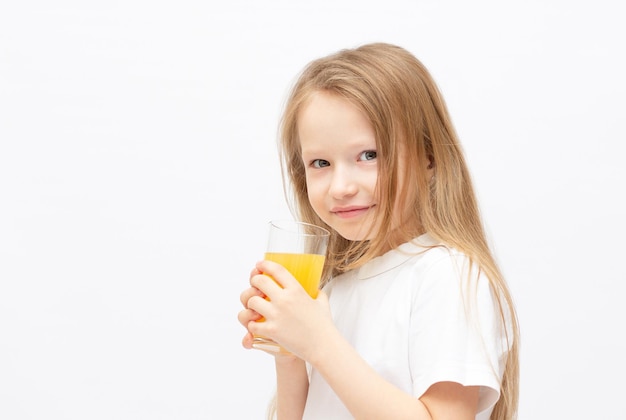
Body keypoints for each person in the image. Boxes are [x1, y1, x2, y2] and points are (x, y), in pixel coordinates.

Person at [237, 42, 520, 420]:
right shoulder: (335, 290)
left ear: (429, 155)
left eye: (369, 155)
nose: (340, 187)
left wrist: (319, 342)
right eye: (320, 162)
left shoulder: (446, 275)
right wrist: (290, 352)